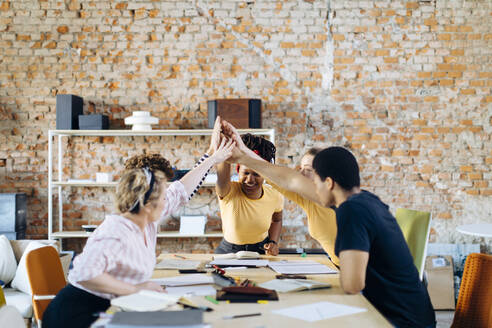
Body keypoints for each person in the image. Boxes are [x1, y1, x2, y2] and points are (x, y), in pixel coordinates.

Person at [42, 123, 234, 328]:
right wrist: (138, 289)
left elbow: (181, 190)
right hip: (75, 316)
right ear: (148, 204)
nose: (166, 202)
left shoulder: (145, 222)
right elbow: (86, 274)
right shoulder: (116, 231)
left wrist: (213, 156)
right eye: (162, 198)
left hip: (106, 308)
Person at [311, 146, 435, 328]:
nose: (314, 189)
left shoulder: (351, 210)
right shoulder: (367, 200)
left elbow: (352, 285)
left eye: (315, 183)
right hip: (415, 317)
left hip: (401, 322)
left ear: (329, 182)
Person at [221, 120, 339, 265]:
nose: (300, 174)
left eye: (308, 170)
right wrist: (242, 150)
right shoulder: (308, 199)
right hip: (340, 266)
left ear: (327, 178)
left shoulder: (343, 202)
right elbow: (279, 178)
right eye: (300, 168)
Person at [215, 122, 284, 256]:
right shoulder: (229, 191)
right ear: (238, 171)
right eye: (245, 173)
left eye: (256, 174)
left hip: (260, 250)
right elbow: (222, 178)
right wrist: (226, 144)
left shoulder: (275, 195)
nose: (250, 179)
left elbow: (277, 220)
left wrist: (273, 242)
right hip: (229, 251)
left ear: (264, 175)